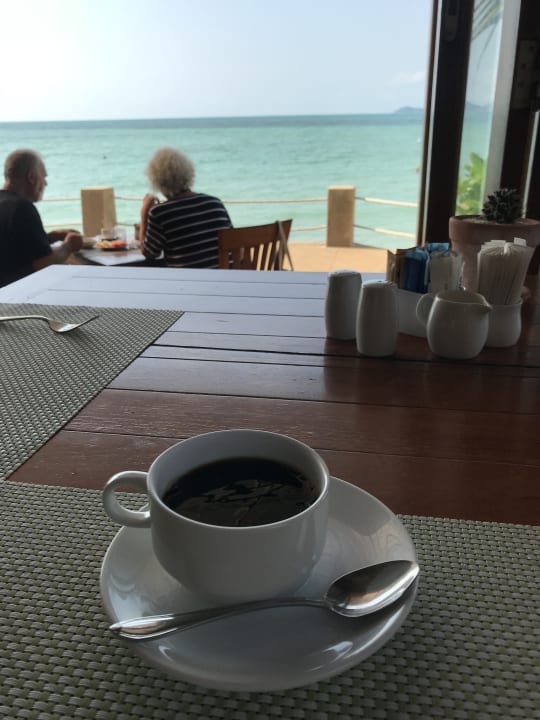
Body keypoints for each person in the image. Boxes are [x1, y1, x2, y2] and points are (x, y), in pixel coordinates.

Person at [0, 149, 83, 287]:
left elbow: (12, 246)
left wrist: (50, 237)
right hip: (16, 293)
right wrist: (69, 246)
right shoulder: (21, 207)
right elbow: (43, 264)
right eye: (44, 177)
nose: (45, 184)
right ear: (32, 177)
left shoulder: (6, 204)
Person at [140, 147, 232, 268]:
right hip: (226, 276)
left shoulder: (160, 213)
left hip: (189, 279)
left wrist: (144, 213)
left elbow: (150, 253)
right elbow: (232, 242)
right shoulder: (215, 203)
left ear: (158, 181)